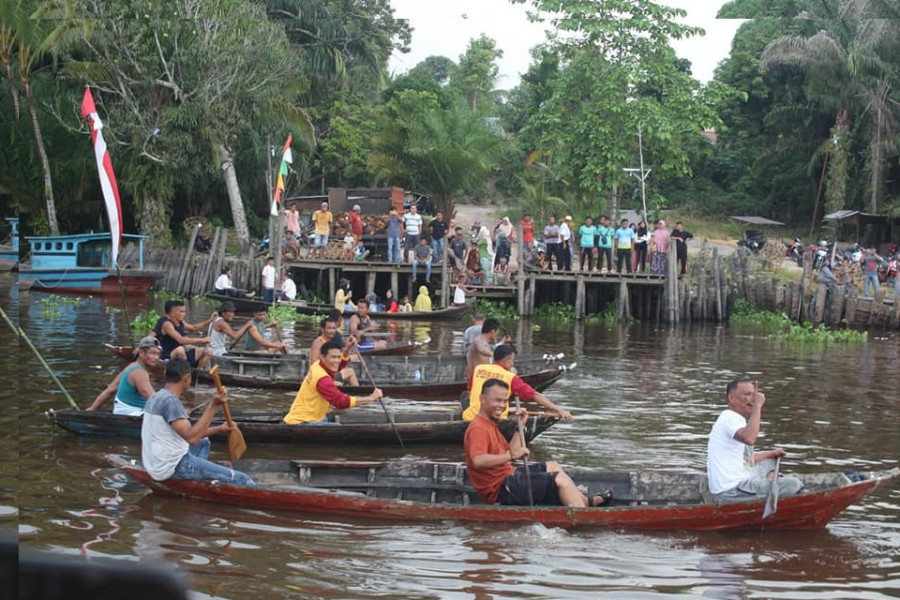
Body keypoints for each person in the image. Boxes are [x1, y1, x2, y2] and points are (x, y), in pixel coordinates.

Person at [464, 378, 609, 507]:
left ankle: (584, 501)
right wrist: (513, 455)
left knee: (553, 466)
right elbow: (478, 461)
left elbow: (508, 455)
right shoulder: (478, 428)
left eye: (504, 401)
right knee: (559, 480)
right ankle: (583, 516)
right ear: (482, 399)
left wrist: (519, 427)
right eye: (497, 400)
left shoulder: (490, 423)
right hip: (501, 488)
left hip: (509, 476)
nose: (502, 405)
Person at [141, 358, 255, 486]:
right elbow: (192, 438)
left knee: (204, 442)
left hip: (156, 461)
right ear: (187, 378)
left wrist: (220, 428)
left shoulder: (156, 396)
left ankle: (201, 474)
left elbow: (194, 436)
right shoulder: (171, 402)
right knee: (243, 479)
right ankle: (198, 473)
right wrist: (213, 405)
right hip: (173, 466)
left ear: (165, 374)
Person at [706, 379, 803, 500]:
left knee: (769, 461)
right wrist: (757, 406)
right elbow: (750, 438)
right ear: (731, 398)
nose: (753, 399)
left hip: (737, 483)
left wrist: (770, 454)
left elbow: (747, 461)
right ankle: (771, 490)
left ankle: (769, 487)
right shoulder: (729, 417)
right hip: (732, 490)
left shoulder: (736, 420)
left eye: (754, 395)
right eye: (747, 395)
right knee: (793, 484)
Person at [283, 340, 383, 425]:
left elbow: (338, 366)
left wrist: (347, 350)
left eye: (338, 357)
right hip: (304, 421)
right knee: (340, 429)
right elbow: (340, 402)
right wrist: (371, 398)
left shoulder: (318, 364)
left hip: (309, 416)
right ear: (322, 357)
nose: (337, 360)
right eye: (333, 357)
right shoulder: (322, 378)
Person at [464, 344, 573, 421]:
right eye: (512, 360)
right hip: (492, 420)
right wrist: (559, 410)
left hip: (469, 417)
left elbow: (469, 393)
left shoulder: (479, 369)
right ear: (506, 360)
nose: (512, 363)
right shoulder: (510, 377)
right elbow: (534, 395)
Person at [87, 336, 161, 414]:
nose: (156, 357)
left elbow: (109, 390)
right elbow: (152, 398)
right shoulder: (139, 372)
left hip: (120, 410)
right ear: (141, 353)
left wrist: (93, 408)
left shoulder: (131, 367)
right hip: (133, 413)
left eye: (158, 354)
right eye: (152, 353)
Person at [152, 300, 214, 369]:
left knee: (208, 351)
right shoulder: (167, 324)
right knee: (180, 350)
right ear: (173, 313)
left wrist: (209, 321)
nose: (184, 314)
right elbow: (180, 340)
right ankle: (184, 371)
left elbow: (193, 328)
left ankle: (197, 371)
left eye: (184, 311)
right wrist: (202, 340)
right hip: (168, 355)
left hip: (183, 354)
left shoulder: (180, 321)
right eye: (181, 312)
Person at [309, 316, 360, 386]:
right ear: (323, 329)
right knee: (338, 384)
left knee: (350, 371)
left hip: (331, 374)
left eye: (333, 328)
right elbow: (314, 362)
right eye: (329, 328)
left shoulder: (331, 342)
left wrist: (349, 347)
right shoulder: (318, 342)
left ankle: (357, 394)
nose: (332, 331)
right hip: (320, 376)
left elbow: (341, 357)